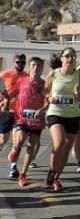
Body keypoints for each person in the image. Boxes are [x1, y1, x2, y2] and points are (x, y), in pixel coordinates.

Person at [44, 47, 80, 191]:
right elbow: (44, 91)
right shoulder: (54, 74)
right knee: (60, 142)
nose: (70, 59)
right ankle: (51, 170)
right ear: (61, 58)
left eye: (73, 56)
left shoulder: (79, 76)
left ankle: (55, 178)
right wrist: (50, 98)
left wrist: (78, 96)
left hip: (72, 116)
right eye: (67, 56)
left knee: (67, 149)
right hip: (55, 113)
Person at [6, 57, 48, 187]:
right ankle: (14, 149)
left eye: (39, 66)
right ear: (29, 68)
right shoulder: (22, 80)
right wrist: (5, 103)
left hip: (36, 120)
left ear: (42, 69)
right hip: (22, 118)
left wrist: (42, 109)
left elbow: (49, 101)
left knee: (31, 146)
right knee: (19, 140)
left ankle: (22, 175)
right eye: (34, 65)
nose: (36, 68)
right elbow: (9, 94)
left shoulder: (44, 84)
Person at [0, 53, 29, 175]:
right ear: (13, 62)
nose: (20, 64)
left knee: (19, 140)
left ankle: (13, 166)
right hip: (5, 111)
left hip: (20, 113)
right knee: (2, 140)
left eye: (23, 62)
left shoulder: (28, 76)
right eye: (18, 62)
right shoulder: (4, 75)